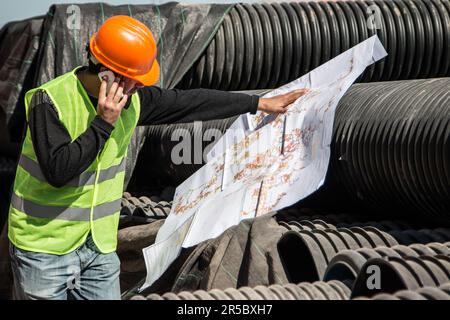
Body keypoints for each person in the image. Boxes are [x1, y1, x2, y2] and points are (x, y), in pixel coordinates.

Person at [8, 15, 308, 300]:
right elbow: (59, 171)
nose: (139, 88)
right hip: (45, 247)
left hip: (97, 244)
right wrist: (103, 124)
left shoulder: (133, 101)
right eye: (134, 81)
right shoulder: (49, 101)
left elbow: (191, 102)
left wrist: (258, 103)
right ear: (106, 73)